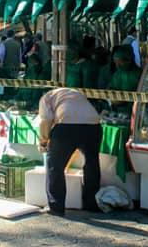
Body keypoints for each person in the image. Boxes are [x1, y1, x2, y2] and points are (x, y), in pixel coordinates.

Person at [38, 87, 103, 215]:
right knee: (92, 164)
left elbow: (45, 121)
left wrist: (44, 140)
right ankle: (90, 204)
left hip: (66, 126)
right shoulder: (73, 92)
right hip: (93, 126)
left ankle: (56, 206)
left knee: (55, 166)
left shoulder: (46, 98)